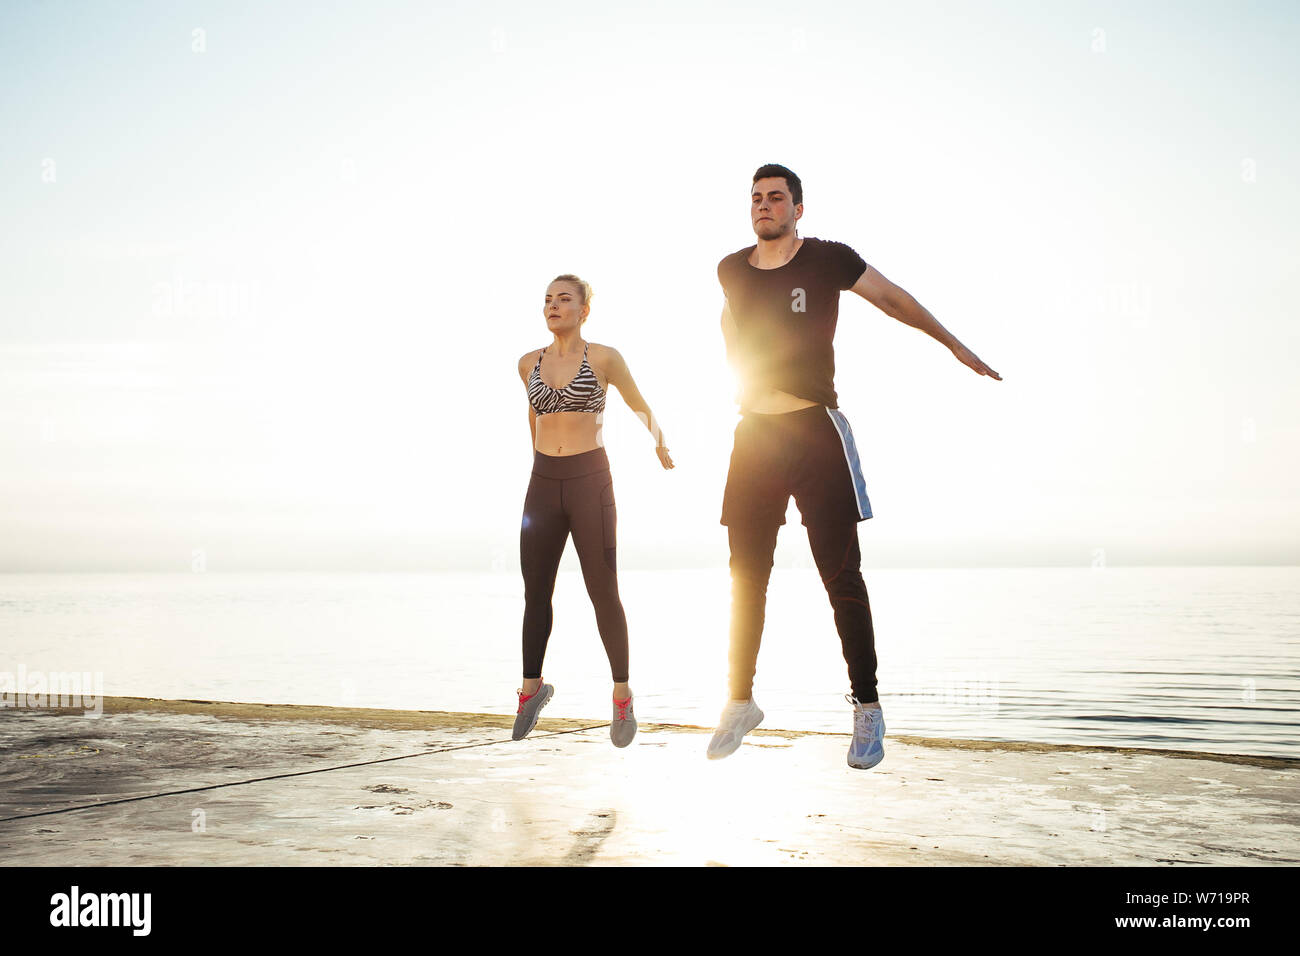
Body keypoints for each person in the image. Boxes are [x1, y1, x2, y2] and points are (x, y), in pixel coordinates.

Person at [707, 164, 1002, 769]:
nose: (765, 206)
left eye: (777, 198)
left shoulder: (828, 259)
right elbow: (730, 323)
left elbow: (893, 300)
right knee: (745, 575)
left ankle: (867, 709)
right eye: (756, 199)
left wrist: (952, 343)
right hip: (754, 436)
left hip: (816, 432)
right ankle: (739, 700)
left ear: (798, 209)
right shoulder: (730, 270)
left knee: (841, 576)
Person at [514, 273, 673, 748]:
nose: (553, 306)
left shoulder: (603, 358)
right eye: (547, 299)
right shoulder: (527, 364)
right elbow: (533, 415)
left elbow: (636, 401)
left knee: (604, 590)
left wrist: (659, 442)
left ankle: (622, 695)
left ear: (584, 310)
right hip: (543, 483)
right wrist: (540, 467)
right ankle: (530, 689)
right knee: (536, 591)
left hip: (590, 482)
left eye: (564, 299)